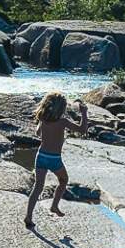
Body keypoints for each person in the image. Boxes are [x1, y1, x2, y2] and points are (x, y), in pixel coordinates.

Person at [25, 92, 88, 226]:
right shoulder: (63, 122)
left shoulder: (43, 119)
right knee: (64, 180)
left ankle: (28, 217)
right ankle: (54, 205)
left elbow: (38, 133)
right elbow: (82, 130)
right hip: (54, 159)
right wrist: (84, 113)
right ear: (62, 109)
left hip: (41, 156)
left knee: (38, 187)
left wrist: (43, 125)